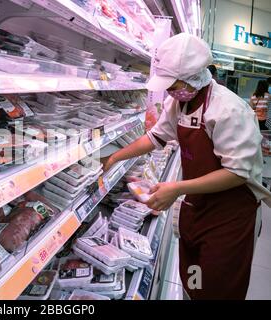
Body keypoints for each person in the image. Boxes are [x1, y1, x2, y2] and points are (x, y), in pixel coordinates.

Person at [102, 33, 271, 300]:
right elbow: (155, 137)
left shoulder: (229, 110)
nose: (169, 91)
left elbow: (238, 173)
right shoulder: (179, 101)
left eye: (173, 84)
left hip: (230, 214)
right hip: (197, 207)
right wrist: (114, 158)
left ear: (193, 77)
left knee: (219, 287)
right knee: (194, 277)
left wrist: (176, 188)